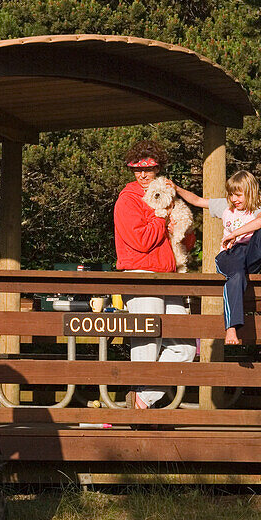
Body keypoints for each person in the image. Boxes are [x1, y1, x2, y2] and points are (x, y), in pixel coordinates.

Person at [113, 140, 197, 408]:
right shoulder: (127, 201)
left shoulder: (167, 193)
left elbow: (187, 242)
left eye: (148, 169)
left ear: (158, 168)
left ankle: (141, 400)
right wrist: (161, 218)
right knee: (147, 346)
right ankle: (141, 410)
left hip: (169, 277)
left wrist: (181, 228)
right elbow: (141, 241)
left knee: (185, 349)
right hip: (140, 275)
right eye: (137, 170)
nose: (142, 175)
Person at [175, 170, 261, 345]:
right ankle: (231, 328)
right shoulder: (225, 206)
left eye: (238, 195)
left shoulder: (259, 207)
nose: (234, 199)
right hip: (229, 255)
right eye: (231, 195)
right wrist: (177, 188)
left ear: (251, 193)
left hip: (250, 254)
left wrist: (235, 233)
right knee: (236, 275)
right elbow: (197, 200)